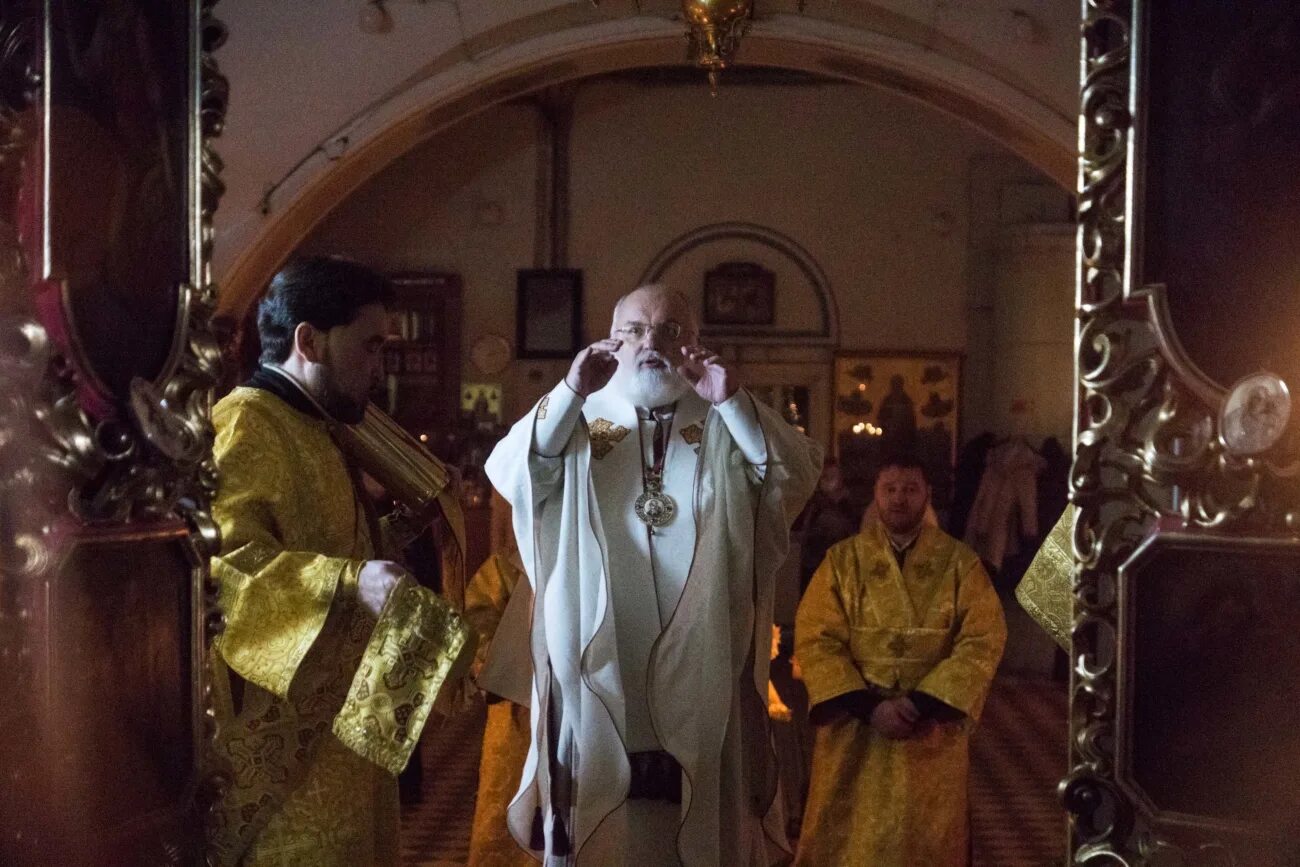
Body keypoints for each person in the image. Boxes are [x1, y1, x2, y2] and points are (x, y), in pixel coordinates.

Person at [485, 284, 823, 865]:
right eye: (636, 330)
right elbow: (513, 471)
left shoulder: (725, 413)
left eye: (671, 331)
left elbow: (793, 477)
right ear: (611, 340)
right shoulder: (578, 412)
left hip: (704, 659)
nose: (652, 344)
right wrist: (569, 392)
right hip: (600, 658)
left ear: (694, 344)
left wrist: (734, 400)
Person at [205, 256, 473, 866]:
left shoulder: (314, 425)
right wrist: (350, 582)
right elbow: (225, 571)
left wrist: (407, 525)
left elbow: (331, 544)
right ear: (309, 340)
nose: (380, 367)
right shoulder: (248, 423)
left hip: (345, 727)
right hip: (288, 751)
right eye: (371, 346)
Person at [794, 453, 1006, 866]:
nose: (899, 499)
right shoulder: (843, 561)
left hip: (929, 727)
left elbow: (983, 639)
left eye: (910, 489)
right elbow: (816, 638)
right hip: (855, 727)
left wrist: (919, 704)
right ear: (875, 493)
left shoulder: (960, 562)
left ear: (927, 494)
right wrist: (869, 707)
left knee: (925, 837)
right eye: (889, 489)